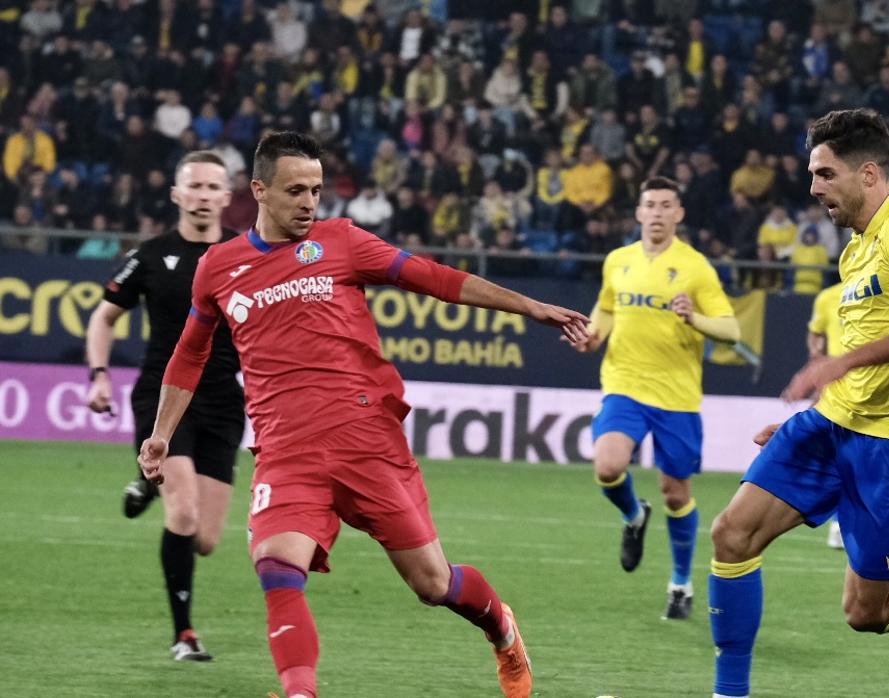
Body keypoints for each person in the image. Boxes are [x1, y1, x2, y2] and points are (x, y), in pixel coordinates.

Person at [137, 132, 589, 698]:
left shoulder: (341, 241)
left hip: (365, 440)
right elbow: (190, 353)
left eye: (317, 190)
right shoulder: (218, 268)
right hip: (285, 449)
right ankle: (301, 692)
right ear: (258, 190)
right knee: (276, 564)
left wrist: (529, 306)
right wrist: (160, 434)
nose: (309, 201)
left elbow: (434, 278)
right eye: (295, 189)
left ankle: (502, 628)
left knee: (432, 583)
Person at [707, 109, 889, 698]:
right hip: (830, 428)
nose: (813, 187)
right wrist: (821, 405)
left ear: (868, 173)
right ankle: (729, 693)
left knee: (866, 611)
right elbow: (870, 345)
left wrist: (838, 364)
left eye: (824, 174)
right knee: (731, 535)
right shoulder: (855, 249)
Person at [85, 151, 243, 662]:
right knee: (184, 510)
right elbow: (102, 318)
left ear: (226, 197)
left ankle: (146, 486)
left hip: (222, 401)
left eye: (212, 187)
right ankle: (184, 635)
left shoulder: (246, 257)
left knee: (206, 540)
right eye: (193, 186)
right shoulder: (151, 256)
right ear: (177, 195)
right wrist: (99, 375)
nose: (202, 195)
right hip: (163, 399)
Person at [567, 176, 740, 620]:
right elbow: (606, 307)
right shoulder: (618, 261)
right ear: (639, 212)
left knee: (676, 493)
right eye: (651, 205)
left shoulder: (696, 267)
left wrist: (694, 317)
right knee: (607, 465)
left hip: (676, 395)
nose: (658, 213)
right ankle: (632, 514)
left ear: (679, 214)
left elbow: (731, 330)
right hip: (624, 383)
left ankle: (680, 585)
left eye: (667, 205)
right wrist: (593, 335)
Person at [805, 281, 845, 550]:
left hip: (875, 383)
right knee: (836, 456)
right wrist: (817, 363)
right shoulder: (828, 297)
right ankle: (837, 522)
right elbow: (815, 333)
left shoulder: (886, 286)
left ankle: (843, 522)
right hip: (837, 384)